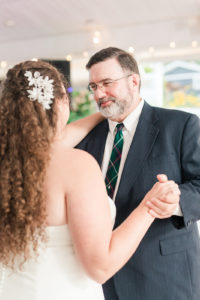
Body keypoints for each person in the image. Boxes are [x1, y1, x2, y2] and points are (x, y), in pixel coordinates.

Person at [0, 60, 179, 300]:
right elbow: (100, 268)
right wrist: (149, 206)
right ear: (62, 102)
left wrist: (107, 112)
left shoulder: (12, 162)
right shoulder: (75, 165)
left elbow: (58, 137)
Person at [76, 47, 200, 300]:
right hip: (101, 281)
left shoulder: (181, 125)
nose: (99, 94)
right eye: (93, 87)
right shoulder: (86, 140)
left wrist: (176, 202)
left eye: (107, 83)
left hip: (165, 276)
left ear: (134, 81)